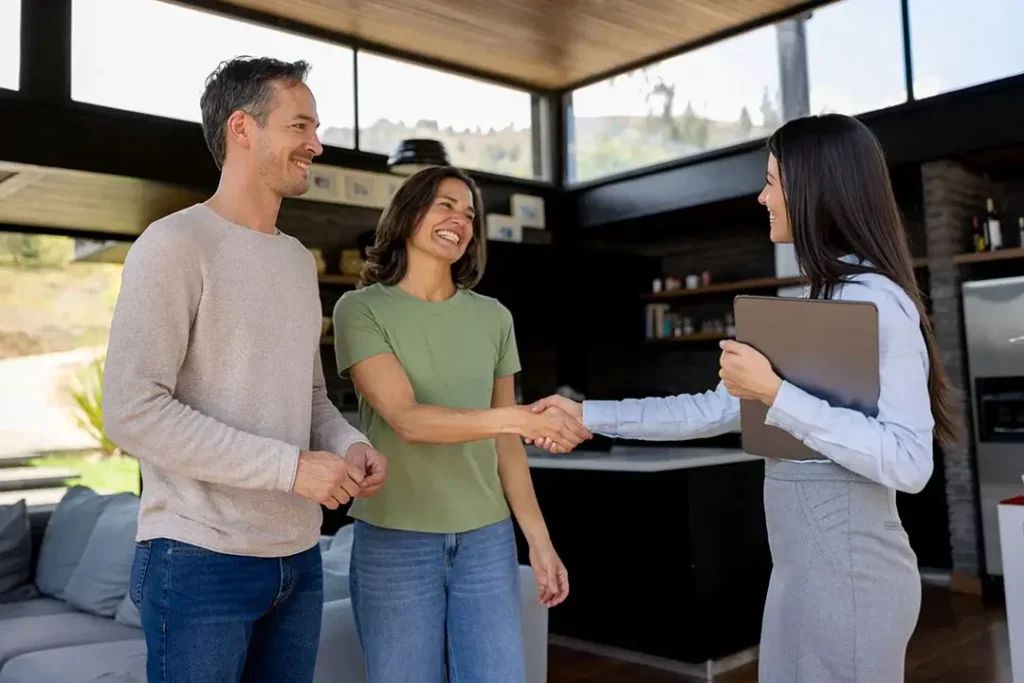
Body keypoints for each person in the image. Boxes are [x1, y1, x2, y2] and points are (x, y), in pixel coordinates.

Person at [529, 113, 961, 683]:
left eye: (773, 181)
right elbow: (716, 407)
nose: (762, 197)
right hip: (799, 573)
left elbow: (910, 463)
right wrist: (588, 414)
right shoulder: (819, 299)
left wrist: (775, 392)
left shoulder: (878, 300)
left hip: (853, 579)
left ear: (814, 188)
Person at [102, 56, 387, 683]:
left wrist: (350, 443)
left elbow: (308, 394)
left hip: (298, 558)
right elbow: (131, 408)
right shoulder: (174, 245)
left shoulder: (294, 262)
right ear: (242, 129)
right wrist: (291, 469)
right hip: (198, 557)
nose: (317, 143)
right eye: (301, 126)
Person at [332, 165, 587, 683]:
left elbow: (506, 447)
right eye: (445, 205)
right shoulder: (360, 310)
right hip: (394, 539)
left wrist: (538, 540)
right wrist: (516, 419)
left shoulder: (494, 317)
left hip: (486, 541)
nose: (460, 220)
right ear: (408, 215)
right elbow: (407, 419)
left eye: (469, 214)